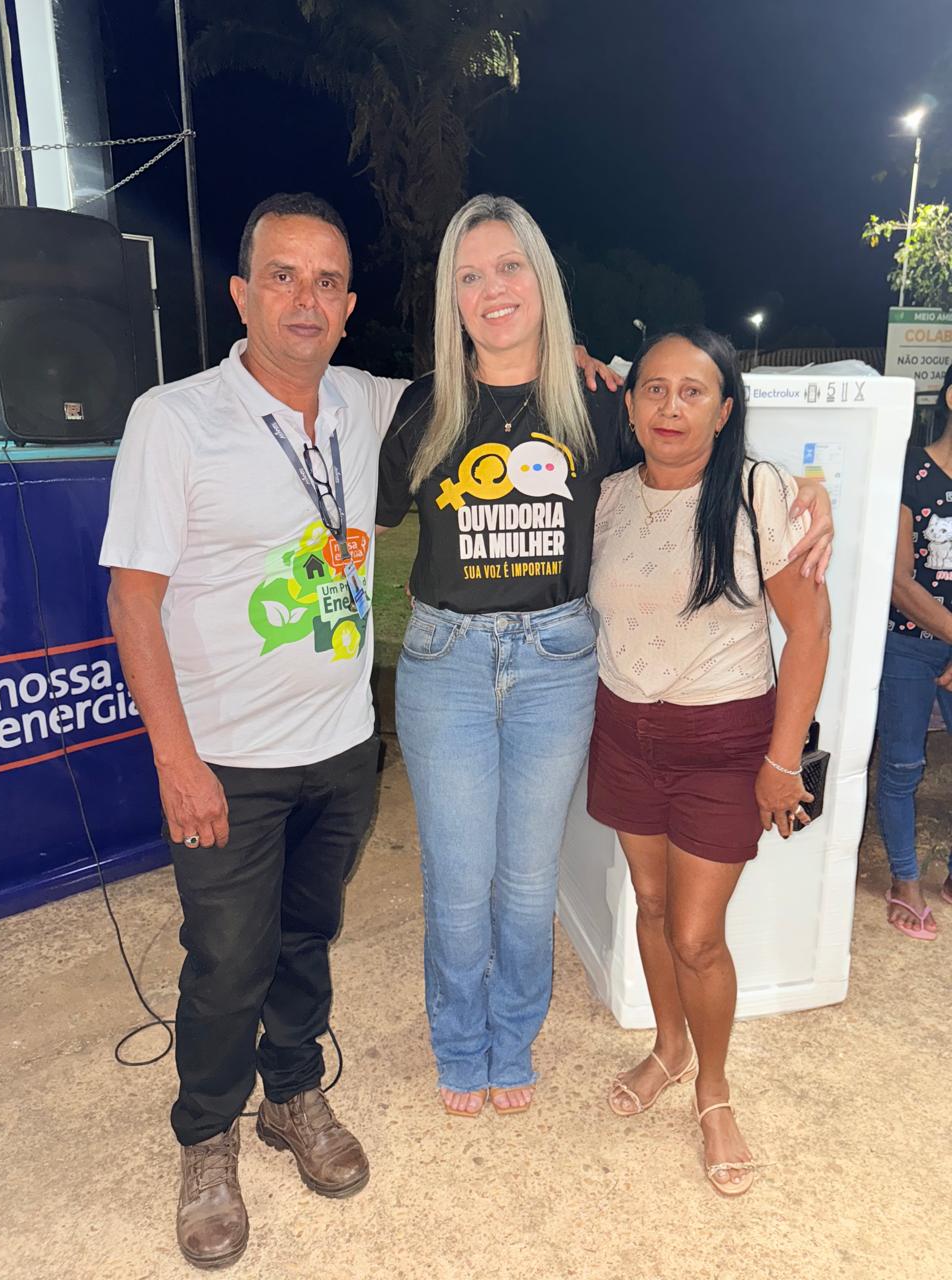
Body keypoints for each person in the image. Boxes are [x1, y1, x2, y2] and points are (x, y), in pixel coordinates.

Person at [375, 197, 834, 1120]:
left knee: (527, 879)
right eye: (470, 275)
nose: (493, 289)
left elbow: (694, 441)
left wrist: (813, 487)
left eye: (510, 268)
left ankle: (515, 1040)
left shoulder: (595, 401)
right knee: (457, 880)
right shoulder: (423, 404)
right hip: (446, 659)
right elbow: (369, 524)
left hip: (555, 662)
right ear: (451, 296)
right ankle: (461, 1045)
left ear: (541, 281)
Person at [101, 193, 410, 1269]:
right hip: (226, 760)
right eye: (283, 275)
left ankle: (292, 1092)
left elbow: (495, 384)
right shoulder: (174, 419)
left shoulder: (368, 402)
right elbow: (132, 602)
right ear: (241, 294)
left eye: (328, 281)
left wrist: (602, 368)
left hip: (341, 746)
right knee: (228, 959)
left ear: (350, 305)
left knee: (304, 936)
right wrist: (175, 761)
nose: (305, 300)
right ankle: (204, 1136)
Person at [587, 328, 830, 1197]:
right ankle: (668, 1047)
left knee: (696, 935)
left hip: (724, 745)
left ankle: (714, 1092)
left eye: (693, 391)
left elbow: (811, 630)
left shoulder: (760, 492)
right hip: (624, 731)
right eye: (654, 388)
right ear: (630, 403)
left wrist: (782, 761)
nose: (671, 407)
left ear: (725, 411)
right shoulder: (608, 498)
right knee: (650, 905)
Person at [875, 361, 952, 940]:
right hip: (908, 645)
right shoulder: (910, 471)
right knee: (902, 765)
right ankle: (905, 880)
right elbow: (899, 581)